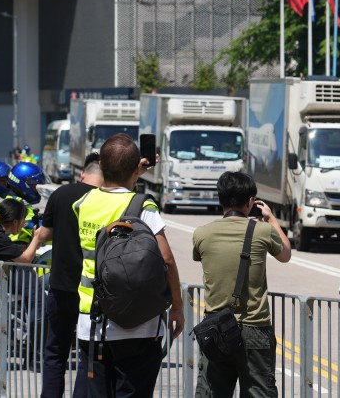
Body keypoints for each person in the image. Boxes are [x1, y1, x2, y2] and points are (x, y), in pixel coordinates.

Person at [72, 133, 184, 398]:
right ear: (137, 168)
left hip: (93, 321)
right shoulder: (143, 205)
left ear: (100, 166)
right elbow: (166, 258)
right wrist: (177, 306)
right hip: (139, 323)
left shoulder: (83, 204)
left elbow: (113, 193)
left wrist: (132, 171)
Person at [192, 171, 291, 398]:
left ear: (220, 199)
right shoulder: (263, 231)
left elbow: (199, 257)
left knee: (211, 392)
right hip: (254, 328)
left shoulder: (201, 234)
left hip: (216, 327)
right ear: (251, 202)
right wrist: (271, 219)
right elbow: (285, 254)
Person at [27, 151, 104, 398]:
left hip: (61, 286)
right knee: (86, 354)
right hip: (91, 291)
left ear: (83, 173)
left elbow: (45, 234)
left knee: (55, 352)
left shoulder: (61, 194)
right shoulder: (105, 199)